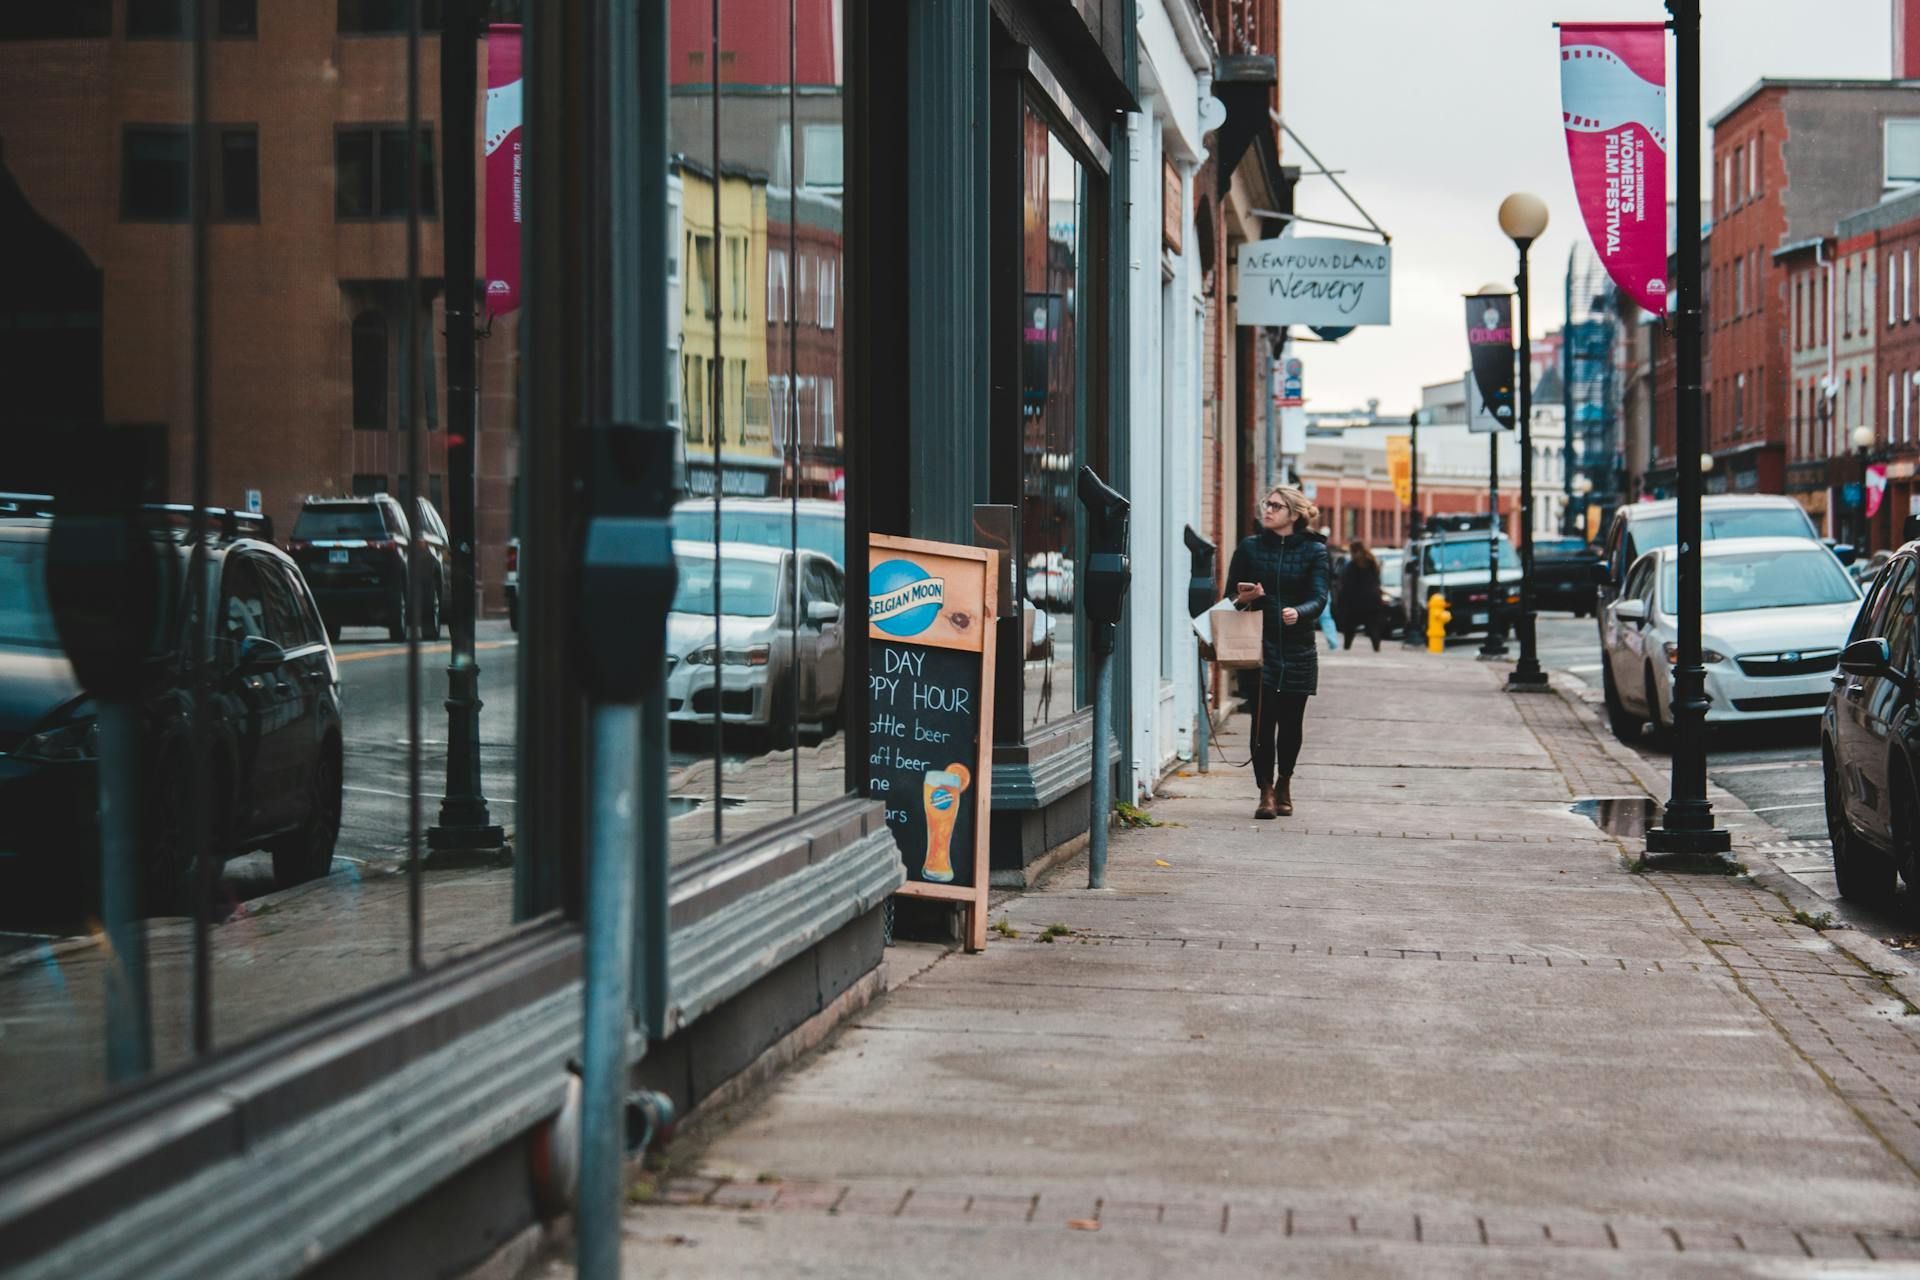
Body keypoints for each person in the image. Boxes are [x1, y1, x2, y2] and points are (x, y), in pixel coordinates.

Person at [1227, 486, 1331, 820]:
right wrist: (1245, 597)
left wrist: (1299, 611)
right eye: (1266, 504)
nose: (1267, 510)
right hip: (1259, 644)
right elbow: (1231, 594)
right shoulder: (1250, 548)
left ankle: (1285, 780)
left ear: (1295, 514)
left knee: (1290, 724)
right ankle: (1265, 792)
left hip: (1299, 646)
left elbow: (1320, 596)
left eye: (1276, 505)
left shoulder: (1315, 551)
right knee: (1261, 722)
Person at [1333, 540, 1387, 651]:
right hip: (1372, 601)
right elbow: (1376, 582)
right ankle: (1376, 648)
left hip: (1355, 602)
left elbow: (1347, 585)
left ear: (1354, 551)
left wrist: (1342, 602)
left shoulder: (1352, 566)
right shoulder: (1372, 563)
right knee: (1373, 626)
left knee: (1350, 626)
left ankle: (1347, 647)